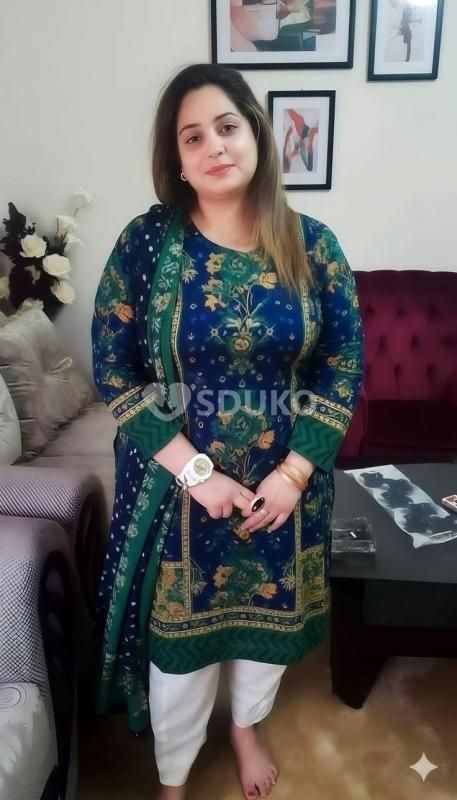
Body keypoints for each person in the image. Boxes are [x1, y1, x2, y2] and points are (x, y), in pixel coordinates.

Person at [91, 62, 363, 800]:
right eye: (192, 136)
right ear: (176, 160)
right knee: (178, 651)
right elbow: (113, 368)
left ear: (257, 135)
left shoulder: (312, 244)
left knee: (266, 634)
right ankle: (174, 776)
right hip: (176, 491)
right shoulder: (147, 244)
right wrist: (195, 473)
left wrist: (295, 473)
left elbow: (342, 362)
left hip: (284, 491)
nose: (213, 145)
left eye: (227, 126)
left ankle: (245, 727)